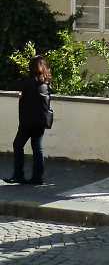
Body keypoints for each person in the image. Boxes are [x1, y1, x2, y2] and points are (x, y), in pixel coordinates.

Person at [4, 55, 52, 186]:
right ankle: (37, 177)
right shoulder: (45, 83)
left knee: (18, 145)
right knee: (37, 148)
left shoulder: (28, 82)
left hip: (28, 121)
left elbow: (24, 99)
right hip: (40, 121)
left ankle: (18, 175)